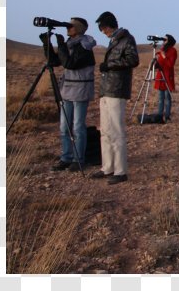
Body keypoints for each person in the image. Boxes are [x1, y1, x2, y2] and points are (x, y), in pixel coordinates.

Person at [91, 11, 139, 185]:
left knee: (116, 131)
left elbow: (133, 60)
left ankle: (120, 171)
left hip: (117, 90)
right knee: (105, 131)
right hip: (106, 90)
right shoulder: (114, 41)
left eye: (103, 28)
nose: (103, 32)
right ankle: (107, 167)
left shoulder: (127, 39)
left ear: (110, 25)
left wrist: (110, 65)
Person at [49, 17, 97, 171]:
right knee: (64, 127)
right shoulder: (71, 44)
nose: (68, 28)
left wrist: (61, 44)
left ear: (79, 28)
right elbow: (55, 61)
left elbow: (70, 63)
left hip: (80, 91)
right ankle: (66, 157)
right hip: (67, 90)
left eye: (71, 26)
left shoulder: (85, 47)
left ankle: (78, 159)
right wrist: (47, 44)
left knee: (77, 126)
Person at [154, 34, 177, 122]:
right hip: (160, 76)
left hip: (168, 76)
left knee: (167, 97)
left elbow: (171, 64)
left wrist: (164, 56)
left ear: (169, 41)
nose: (163, 41)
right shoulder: (162, 50)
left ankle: (167, 116)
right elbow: (159, 64)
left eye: (165, 40)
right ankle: (159, 116)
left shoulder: (173, 51)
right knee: (160, 98)